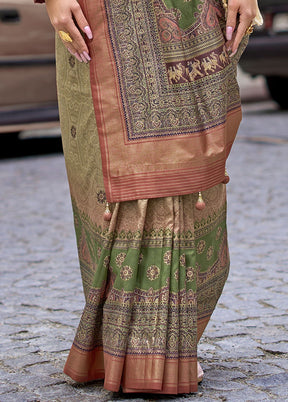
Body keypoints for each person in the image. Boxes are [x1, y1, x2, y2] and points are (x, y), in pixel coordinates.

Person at [35, 0, 261, 395]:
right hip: (102, 21)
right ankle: (139, 348)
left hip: (189, 15)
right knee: (123, 172)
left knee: (189, 164)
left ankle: (170, 342)